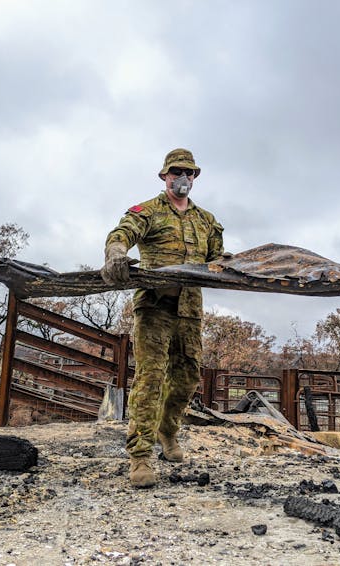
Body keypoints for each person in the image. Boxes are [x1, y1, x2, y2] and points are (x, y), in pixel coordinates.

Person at [101, 148, 224, 488]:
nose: (183, 178)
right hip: (154, 307)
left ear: (195, 177)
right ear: (164, 176)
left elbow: (219, 261)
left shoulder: (206, 221)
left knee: (187, 379)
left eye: (189, 172)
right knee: (150, 379)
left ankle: (167, 432)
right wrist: (116, 255)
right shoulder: (149, 211)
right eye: (176, 172)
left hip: (190, 310)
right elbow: (121, 235)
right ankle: (140, 455)